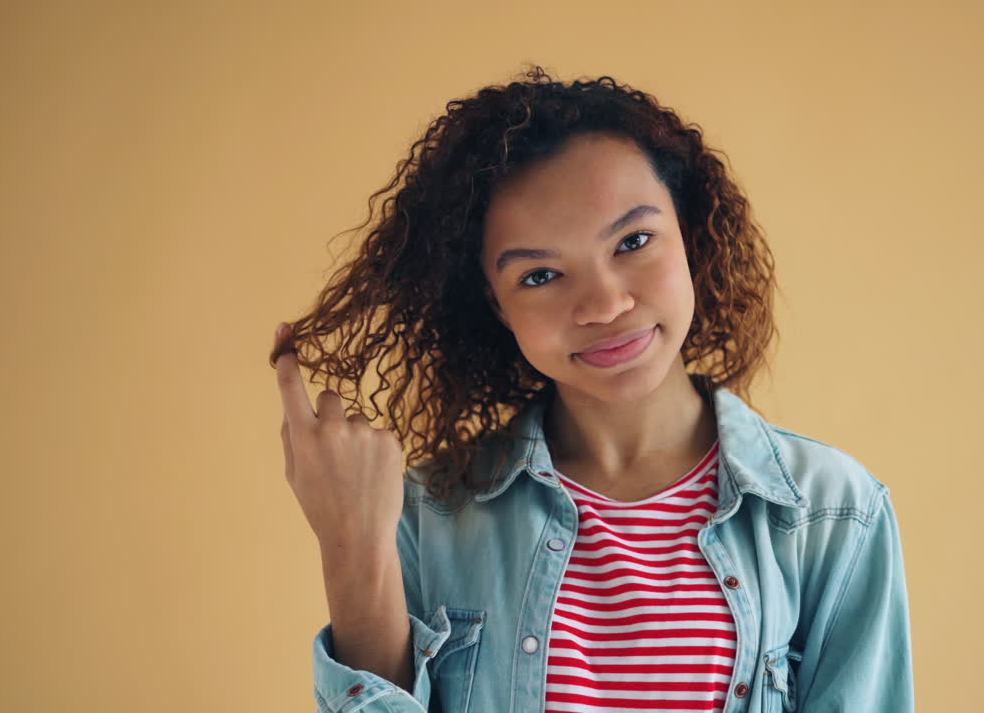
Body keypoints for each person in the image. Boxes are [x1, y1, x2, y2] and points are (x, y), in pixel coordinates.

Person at [270, 65, 914, 713]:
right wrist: (350, 544)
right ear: (496, 306)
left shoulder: (833, 515)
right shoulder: (425, 521)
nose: (604, 304)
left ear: (688, 236)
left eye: (634, 241)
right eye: (541, 275)